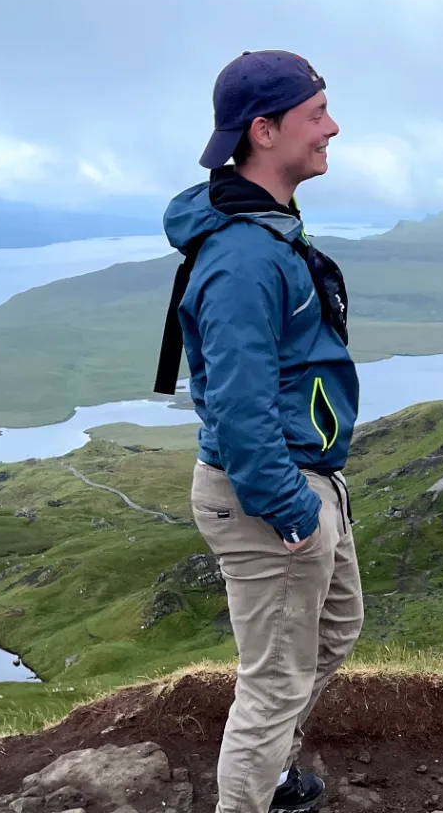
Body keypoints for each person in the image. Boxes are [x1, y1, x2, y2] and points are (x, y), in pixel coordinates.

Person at [159, 50, 361, 813]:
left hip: (305, 480)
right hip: (269, 494)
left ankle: (271, 775)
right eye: (317, 115)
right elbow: (241, 411)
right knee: (273, 681)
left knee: (338, 628)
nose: (332, 127)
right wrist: (291, 509)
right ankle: (252, 794)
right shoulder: (244, 258)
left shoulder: (266, 230)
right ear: (265, 131)